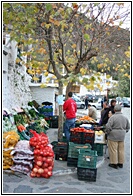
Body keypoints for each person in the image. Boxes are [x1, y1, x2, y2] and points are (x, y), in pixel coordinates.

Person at [106, 104, 130, 169]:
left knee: (113, 149)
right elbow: (128, 127)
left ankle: (114, 163)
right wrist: (124, 131)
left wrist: (108, 132)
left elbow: (108, 127)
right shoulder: (125, 118)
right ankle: (120, 163)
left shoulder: (113, 117)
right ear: (121, 110)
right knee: (121, 149)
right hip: (122, 136)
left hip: (113, 135)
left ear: (115, 110)